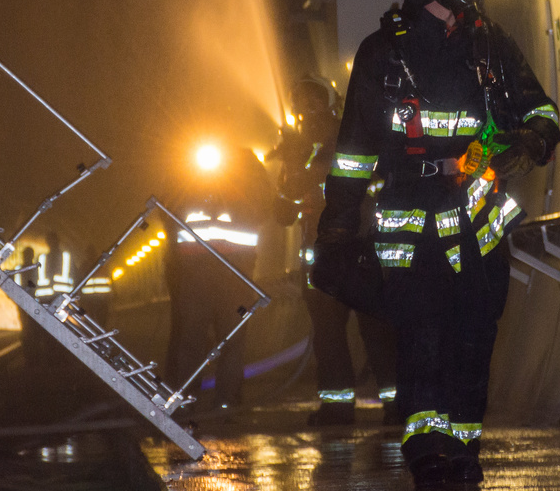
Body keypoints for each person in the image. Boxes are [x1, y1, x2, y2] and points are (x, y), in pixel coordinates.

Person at [314, 0, 559, 489]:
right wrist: (336, 228)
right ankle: (427, 454)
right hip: (410, 219)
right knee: (420, 332)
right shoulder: (382, 55)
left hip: (477, 218)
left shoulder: (492, 45)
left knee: (475, 333)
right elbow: (353, 154)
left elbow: (541, 111)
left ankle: (465, 449)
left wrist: (529, 141)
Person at [276, 76, 399, 426]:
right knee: (328, 333)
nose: (305, 112)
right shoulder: (299, 148)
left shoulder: (353, 138)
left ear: (329, 105)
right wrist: (290, 182)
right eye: (300, 105)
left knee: (375, 328)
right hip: (322, 252)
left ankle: (396, 403)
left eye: (310, 104)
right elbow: (283, 211)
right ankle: (338, 406)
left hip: (359, 246)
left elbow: (375, 186)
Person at [164, 137, 278, 415]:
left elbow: (265, 208)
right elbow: (168, 211)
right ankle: (190, 401)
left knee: (228, 339)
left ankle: (222, 402)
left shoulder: (248, 181)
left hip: (227, 277)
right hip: (207, 276)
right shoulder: (189, 180)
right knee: (195, 339)